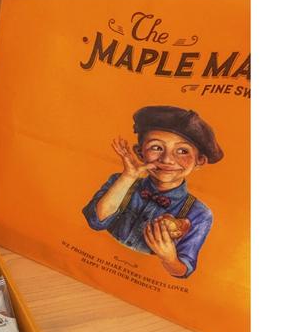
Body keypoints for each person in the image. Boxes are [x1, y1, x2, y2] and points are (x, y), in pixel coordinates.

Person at [82, 106, 223, 278]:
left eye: (182, 151)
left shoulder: (200, 214)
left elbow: (183, 271)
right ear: (140, 152)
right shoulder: (120, 182)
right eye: (156, 147)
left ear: (199, 161)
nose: (167, 159)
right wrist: (128, 177)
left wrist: (169, 258)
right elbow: (95, 222)